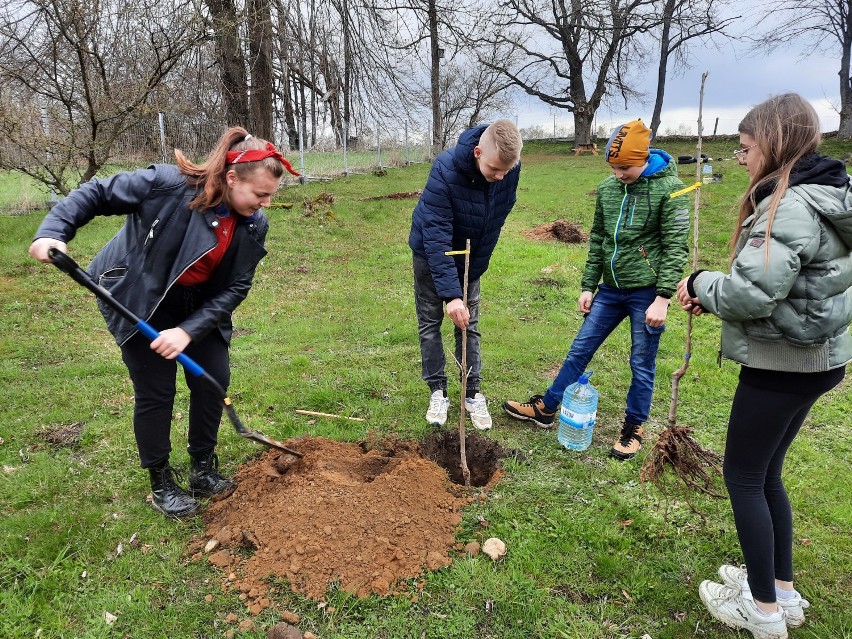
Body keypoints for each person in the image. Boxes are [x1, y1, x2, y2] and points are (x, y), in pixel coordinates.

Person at [29, 127, 299, 519]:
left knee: (213, 379)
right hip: (142, 297)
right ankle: (160, 482)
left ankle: (202, 468)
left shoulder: (253, 224)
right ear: (231, 178)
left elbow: (236, 287)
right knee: (157, 391)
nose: (266, 204)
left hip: (197, 306)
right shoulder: (166, 185)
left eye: (270, 195)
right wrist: (54, 232)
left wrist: (188, 330)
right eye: (260, 194)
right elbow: (97, 193)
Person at [676, 93, 851, 639]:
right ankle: (781, 590)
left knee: (744, 477)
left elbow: (752, 295)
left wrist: (701, 283)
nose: (742, 158)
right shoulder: (829, 194)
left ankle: (764, 614)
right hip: (820, 360)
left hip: (782, 365)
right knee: (768, 472)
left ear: (774, 145)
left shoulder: (791, 205)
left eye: (747, 148)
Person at [503, 119, 689, 459]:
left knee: (641, 362)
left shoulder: (671, 189)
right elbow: (600, 239)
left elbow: (676, 246)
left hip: (647, 293)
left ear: (644, 158)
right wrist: (589, 285)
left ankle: (633, 427)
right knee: (580, 349)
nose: (619, 173)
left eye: (626, 167)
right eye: (614, 167)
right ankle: (547, 407)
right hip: (610, 290)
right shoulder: (607, 189)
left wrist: (662, 298)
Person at [409, 119, 523, 430]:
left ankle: (472, 393)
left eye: (506, 171)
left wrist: (474, 269)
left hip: (473, 255)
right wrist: (451, 295)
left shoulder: (508, 169)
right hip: (431, 253)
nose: (500, 177)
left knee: (468, 325)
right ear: (477, 152)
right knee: (431, 322)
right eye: (494, 169)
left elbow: (497, 215)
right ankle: (438, 391)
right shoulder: (445, 170)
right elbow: (436, 235)